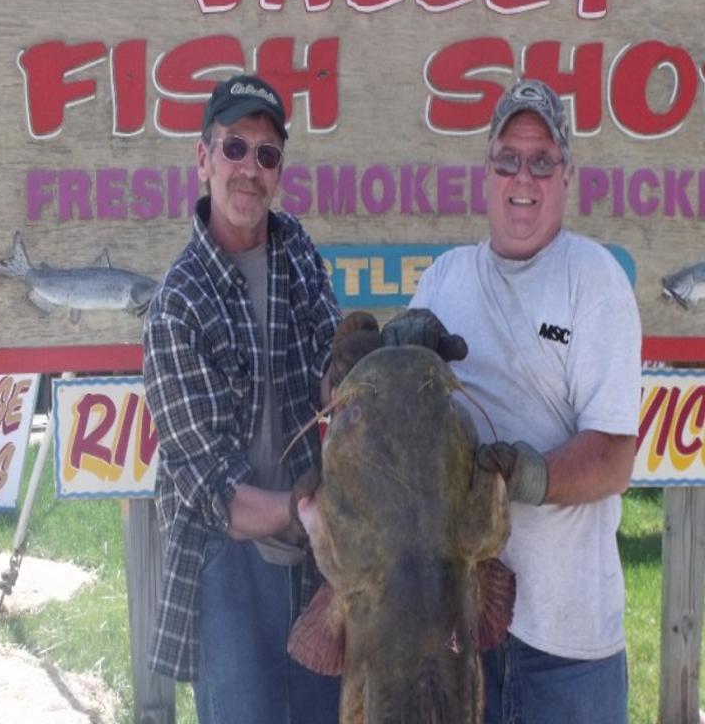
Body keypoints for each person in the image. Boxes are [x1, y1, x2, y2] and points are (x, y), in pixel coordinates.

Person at [388, 78, 641, 723]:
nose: (522, 177)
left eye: (541, 160)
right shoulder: (443, 279)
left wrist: (531, 476)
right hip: (455, 626)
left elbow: (614, 457)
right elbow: (382, 414)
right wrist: (388, 353)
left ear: (566, 175)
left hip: (566, 646)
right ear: (486, 170)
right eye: (508, 158)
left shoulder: (594, 280)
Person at [142, 74, 342, 724]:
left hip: (316, 560)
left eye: (267, 153)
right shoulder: (175, 303)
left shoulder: (300, 256)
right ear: (204, 158)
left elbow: (331, 383)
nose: (249, 168)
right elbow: (208, 491)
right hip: (225, 562)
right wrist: (307, 510)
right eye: (235, 147)